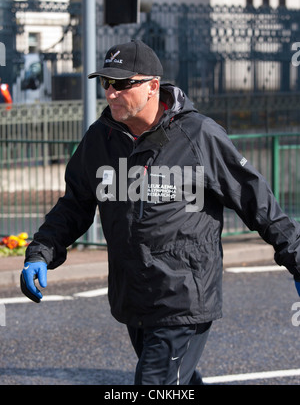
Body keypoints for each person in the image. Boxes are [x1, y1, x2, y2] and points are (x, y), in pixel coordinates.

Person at [20, 40, 300, 385]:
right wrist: (40, 252)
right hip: (133, 297)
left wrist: (296, 259)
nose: (110, 93)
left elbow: (256, 200)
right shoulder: (99, 140)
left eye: (122, 84)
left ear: (153, 86)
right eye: (106, 83)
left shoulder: (198, 135)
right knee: (177, 382)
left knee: (155, 383)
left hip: (183, 296)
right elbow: (75, 204)